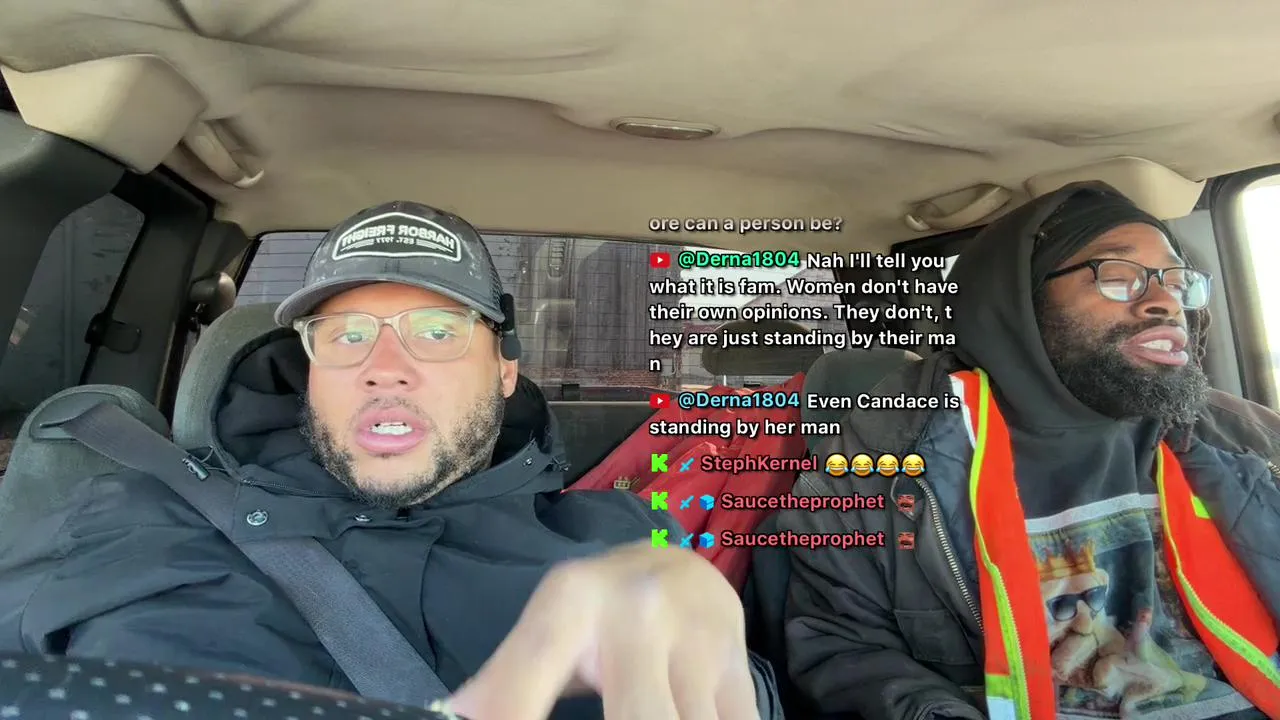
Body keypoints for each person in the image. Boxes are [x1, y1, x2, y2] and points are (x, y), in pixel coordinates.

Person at [0, 200, 779, 720]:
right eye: (346, 335)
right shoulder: (127, 518)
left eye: (437, 332)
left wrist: (731, 666)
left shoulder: (613, 544)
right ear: (309, 367)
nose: (385, 368)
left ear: (505, 371)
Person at [780, 181, 1280, 720]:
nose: (1165, 302)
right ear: (1018, 300)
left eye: (1179, 283)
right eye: (1119, 276)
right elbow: (846, 648)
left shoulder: (1243, 437)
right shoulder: (880, 463)